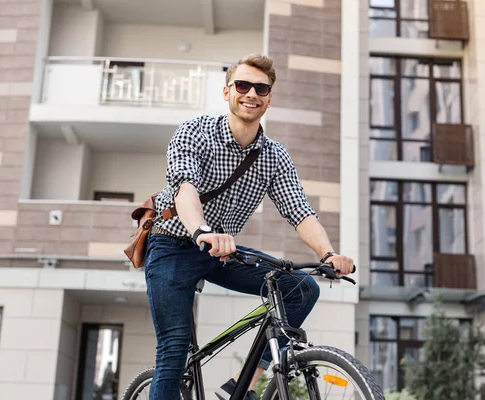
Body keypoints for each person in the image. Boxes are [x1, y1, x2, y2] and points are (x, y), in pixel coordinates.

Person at [144, 53, 355, 400]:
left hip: (221, 251)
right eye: (243, 85)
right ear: (227, 91)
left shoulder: (274, 155)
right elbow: (185, 189)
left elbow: (299, 211)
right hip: (173, 246)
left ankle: (242, 384)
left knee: (302, 289)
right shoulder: (194, 132)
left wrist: (328, 254)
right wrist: (201, 231)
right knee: (174, 347)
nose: (251, 94)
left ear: (270, 97)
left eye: (261, 88)